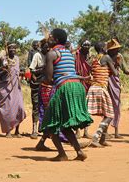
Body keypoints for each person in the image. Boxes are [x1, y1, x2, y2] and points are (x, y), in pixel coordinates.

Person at [40, 28, 93, 161]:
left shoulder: (52, 54)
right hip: (77, 87)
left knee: (49, 122)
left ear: (56, 40)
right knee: (64, 123)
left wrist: (43, 74)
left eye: (50, 37)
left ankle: (62, 154)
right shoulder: (69, 53)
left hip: (65, 87)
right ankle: (79, 152)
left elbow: (48, 78)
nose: (48, 39)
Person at [86, 42, 117, 148]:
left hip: (93, 88)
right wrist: (116, 64)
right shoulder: (107, 57)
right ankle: (96, 138)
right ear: (103, 48)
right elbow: (115, 73)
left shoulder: (94, 59)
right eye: (106, 46)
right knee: (109, 115)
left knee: (106, 114)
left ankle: (103, 139)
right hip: (100, 88)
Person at [0, 43, 26, 137]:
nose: (12, 49)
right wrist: (4, 69)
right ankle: (8, 131)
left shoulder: (17, 59)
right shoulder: (3, 59)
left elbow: (17, 71)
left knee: (19, 108)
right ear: (7, 49)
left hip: (16, 88)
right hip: (6, 87)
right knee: (8, 109)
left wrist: (22, 73)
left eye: (14, 48)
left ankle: (17, 130)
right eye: (10, 48)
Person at [107, 38, 129, 138]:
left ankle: (115, 131)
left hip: (112, 82)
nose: (116, 50)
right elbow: (125, 70)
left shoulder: (117, 56)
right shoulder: (109, 57)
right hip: (108, 81)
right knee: (111, 106)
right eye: (115, 49)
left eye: (117, 49)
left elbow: (125, 70)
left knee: (115, 106)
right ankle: (107, 132)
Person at [29, 39, 49, 139]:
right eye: (45, 47)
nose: (47, 48)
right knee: (36, 106)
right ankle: (34, 129)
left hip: (46, 85)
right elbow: (32, 70)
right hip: (37, 84)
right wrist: (41, 70)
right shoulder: (37, 55)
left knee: (46, 107)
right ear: (42, 47)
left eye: (48, 46)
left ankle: (45, 129)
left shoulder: (49, 55)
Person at [74, 40, 92, 138]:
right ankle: (77, 131)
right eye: (85, 45)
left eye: (88, 45)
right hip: (78, 82)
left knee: (86, 108)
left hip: (88, 84)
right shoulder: (75, 55)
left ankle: (86, 131)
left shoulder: (90, 56)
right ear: (81, 46)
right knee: (77, 107)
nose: (86, 47)